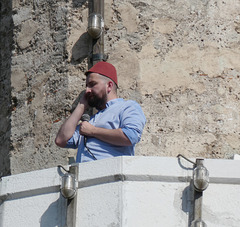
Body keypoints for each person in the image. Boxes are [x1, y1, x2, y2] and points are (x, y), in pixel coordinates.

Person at [55, 61, 146, 162]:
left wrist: (93, 131)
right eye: (86, 86)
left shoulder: (127, 107)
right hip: (85, 176)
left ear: (109, 86)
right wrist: (81, 106)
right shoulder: (91, 120)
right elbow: (61, 140)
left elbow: (131, 136)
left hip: (111, 175)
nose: (87, 90)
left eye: (92, 84)